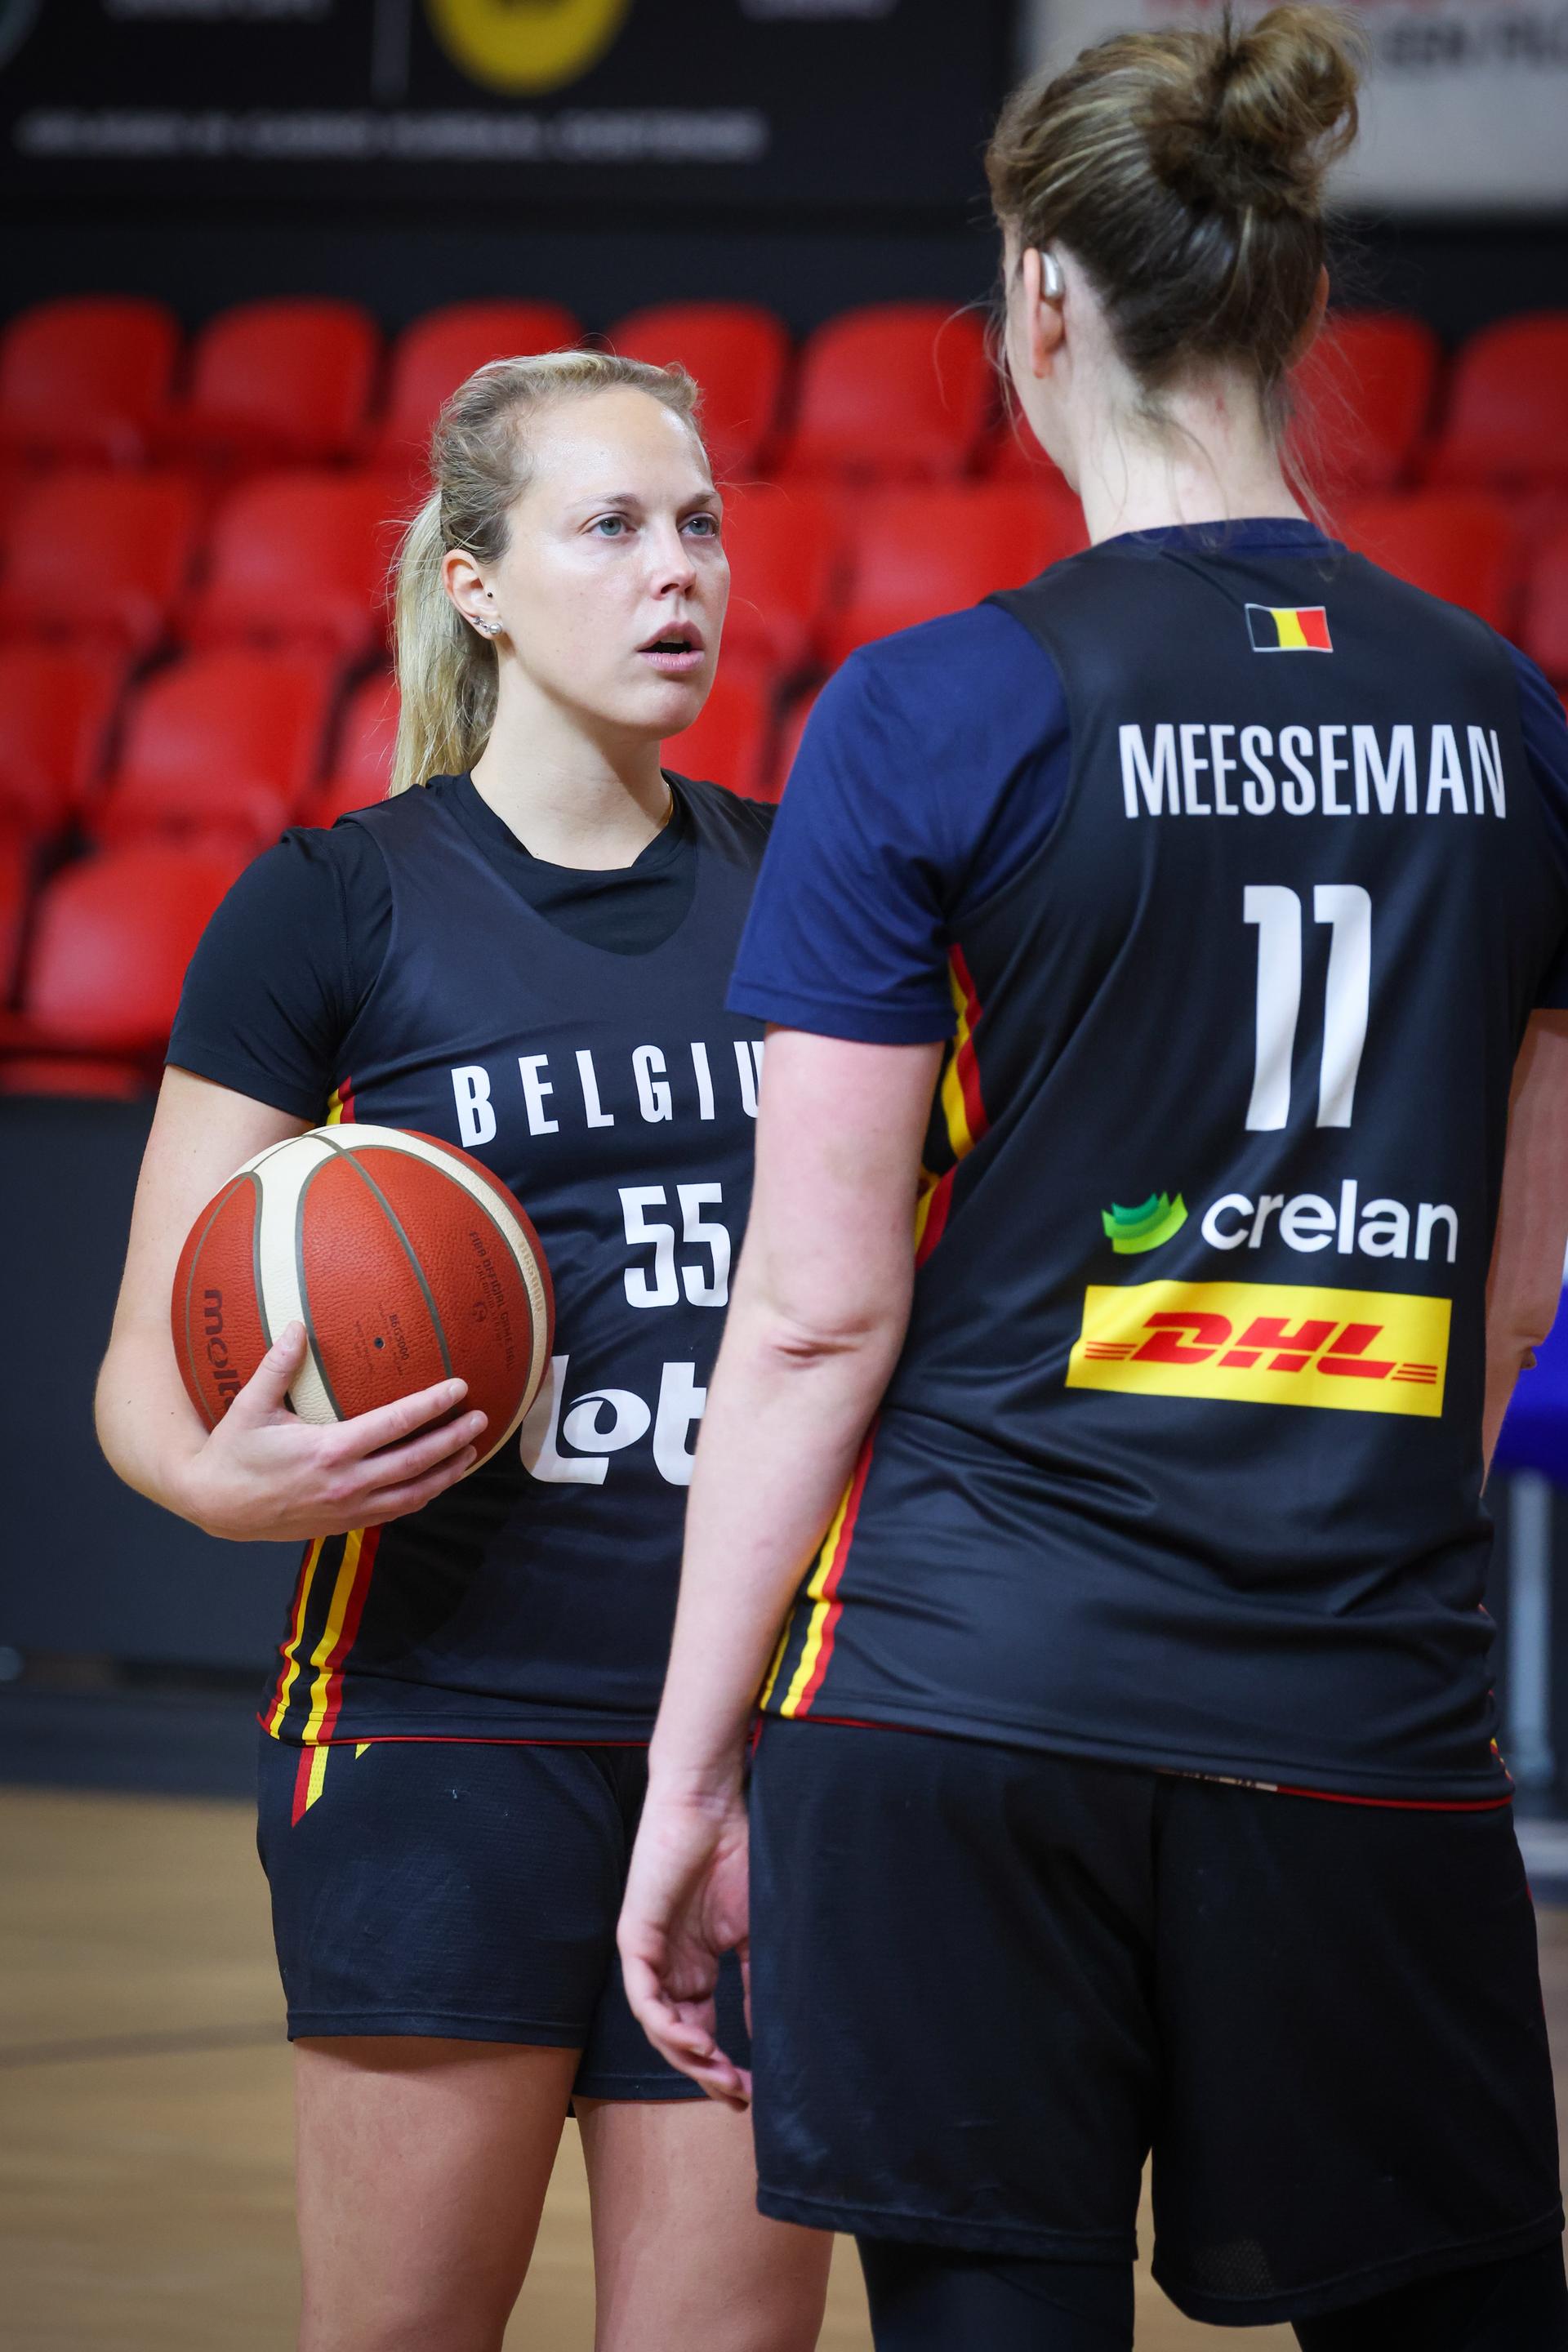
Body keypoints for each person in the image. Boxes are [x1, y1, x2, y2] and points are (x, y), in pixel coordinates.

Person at [617, 13, 1568, 2350]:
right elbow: (1509, 1277)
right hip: (1360, 1716)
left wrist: (687, 1770)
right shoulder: (1519, 722)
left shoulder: (932, 710)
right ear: (1296, 302)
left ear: (1036, 295)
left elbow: (819, 1312)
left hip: (964, 1699)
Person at [95, 350, 830, 2352]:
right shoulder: (329, 904)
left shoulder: (808, 887)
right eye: (610, 527)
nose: (676, 571)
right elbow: (144, 1384)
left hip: (758, 1734)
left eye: (698, 524)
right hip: (438, 1725)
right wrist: (224, 1481)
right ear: (481, 584)